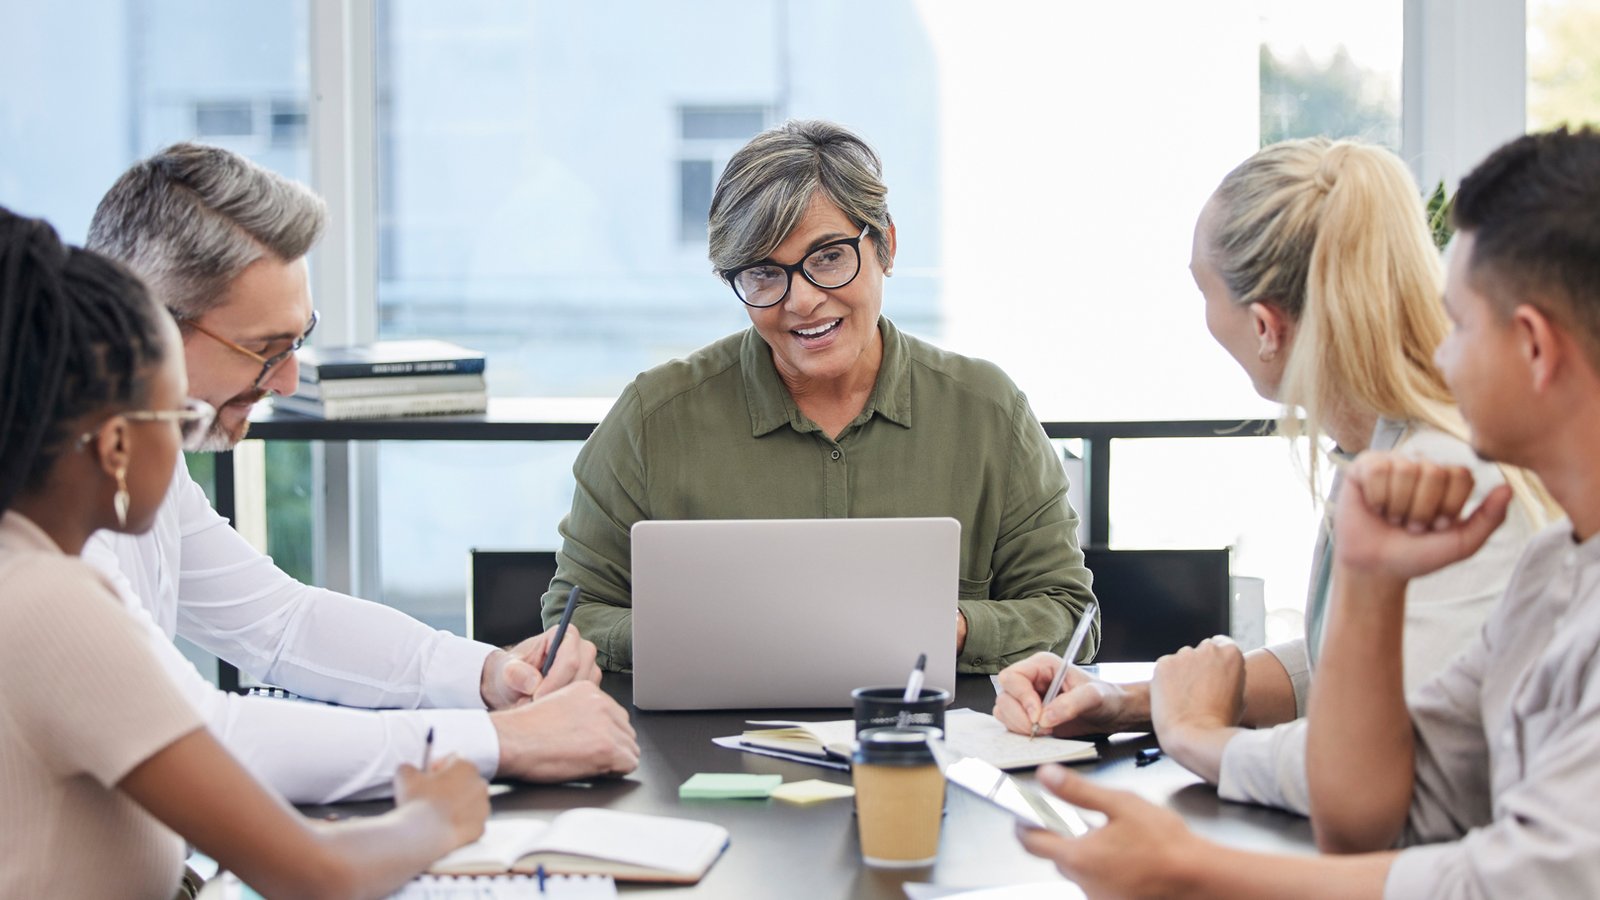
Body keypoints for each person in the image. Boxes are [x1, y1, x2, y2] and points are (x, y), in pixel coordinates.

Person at [1021, 126, 1600, 897]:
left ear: (1531, 345)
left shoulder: (1460, 489)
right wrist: (1161, 710)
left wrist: (1193, 846)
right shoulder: (1554, 566)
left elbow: (1522, 880)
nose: (1443, 353)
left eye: (1458, 323)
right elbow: (1385, 790)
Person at [81, 143, 638, 804]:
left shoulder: (148, 458)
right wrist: (508, 742)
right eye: (264, 350)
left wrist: (490, 674)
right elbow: (204, 735)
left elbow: (281, 623)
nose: (288, 381)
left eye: (298, 339)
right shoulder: (44, 513)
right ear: (146, 325)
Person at [0, 209, 488, 898]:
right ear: (114, 447)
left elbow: (280, 618)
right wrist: (434, 819)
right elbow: (315, 873)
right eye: (179, 417)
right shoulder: (49, 602)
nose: (188, 444)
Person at [542, 119, 1096, 673]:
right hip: (704, 745)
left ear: (886, 246)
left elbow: (1071, 618)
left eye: (829, 256)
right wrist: (700, 635)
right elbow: (574, 619)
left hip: (929, 746)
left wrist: (952, 629)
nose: (802, 301)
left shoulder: (988, 413)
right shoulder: (651, 419)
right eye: (763, 272)